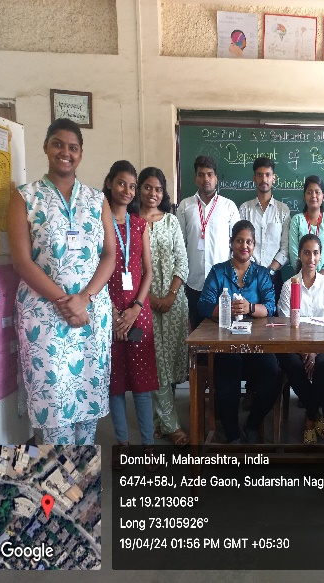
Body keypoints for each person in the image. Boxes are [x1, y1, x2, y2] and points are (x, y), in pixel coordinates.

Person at [8, 118, 115, 445]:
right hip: (45, 319)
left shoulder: (97, 200)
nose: (65, 152)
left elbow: (110, 255)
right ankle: (58, 478)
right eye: (57, 144)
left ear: (81, 153)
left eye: (73, 147)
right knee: (55, 410)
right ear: (46, 147)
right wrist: (64, 302)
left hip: (90, 316)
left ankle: (81, 479)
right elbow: (22, 261)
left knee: (87, 413)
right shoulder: (25, 197)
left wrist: (84, 298)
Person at [198, 220, 279, 444]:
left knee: (273, 376)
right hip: (226, 343)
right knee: (228, 373)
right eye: (240, 241)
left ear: (254, 245)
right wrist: (225, 309)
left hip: (258, 344)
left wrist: (250, 308)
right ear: (231, 243)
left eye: (249, 242)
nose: (244, 246)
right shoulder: (218, 271)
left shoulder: (262, 274)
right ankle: (232, 433)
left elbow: (270, 307)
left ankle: (252, 424)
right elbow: (204, 304)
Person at [103, 160, 159, 467]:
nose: (127, 190)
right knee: (115, 382)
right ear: (110, 183)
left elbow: (148, 272)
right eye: (121, 183)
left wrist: (135, 308)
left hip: (139, 313)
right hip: (108, 314)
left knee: (141, 382)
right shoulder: (98, 222)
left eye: (132, 186)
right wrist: (113, 313)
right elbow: (93, 270)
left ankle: (148, 444)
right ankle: (123, 442)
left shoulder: (139, 225)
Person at [137, 167, 190, 448]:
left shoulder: (171, 221)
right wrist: (149, 299)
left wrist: (170, 296)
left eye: (158, 189)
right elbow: (130, 268)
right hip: (142, 303)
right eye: (148, 187)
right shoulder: (132, 222)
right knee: (154, 364)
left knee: (170, 363)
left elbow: (182, 261)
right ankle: (172, 425)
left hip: (174, 304)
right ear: (139, 189)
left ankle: (158, 418)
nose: (153, 193)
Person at [278, 235, 324, 443]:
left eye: (315, 253)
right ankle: (316, 414)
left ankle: (309, 419)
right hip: (294, 345)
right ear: (300, 255)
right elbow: (286, 323)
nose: (311, 258)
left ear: (320, 256)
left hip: (323, 344)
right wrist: (303, 349)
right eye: (306, 253)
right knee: (293, 365)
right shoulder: (289, 285)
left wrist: (314, 350)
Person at [177, 155, 239, 330]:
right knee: (197, 332)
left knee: (223, 332)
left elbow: (237, 247)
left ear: (216, 178)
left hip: (223, 284)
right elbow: (180, 245)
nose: (206, 179)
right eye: (201, 174)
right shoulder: (185, 206)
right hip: (193, 282)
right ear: (195, 178)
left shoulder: (229, 207)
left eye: (210, 174)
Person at [239, 157, 290, 306]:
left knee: (273, 317)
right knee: (247, 314)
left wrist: (270, 271)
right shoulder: (244, 209)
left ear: (274, 178)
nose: (264, 179)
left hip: (274, 276)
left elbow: (285, 248)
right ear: (254, 178)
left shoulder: (283, 210)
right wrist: (252, 269)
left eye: (268, 175)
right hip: (247, 275)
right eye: (260, 175)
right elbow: (239, 243)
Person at [288, 176, 324, 279]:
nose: (313, 196)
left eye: (317, 192)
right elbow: (294, 253)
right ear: (304, 196)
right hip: (301, 279)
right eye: (309, 192)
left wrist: (320, 278)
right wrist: (307, 276)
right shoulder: (297, 220)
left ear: (323, 197)